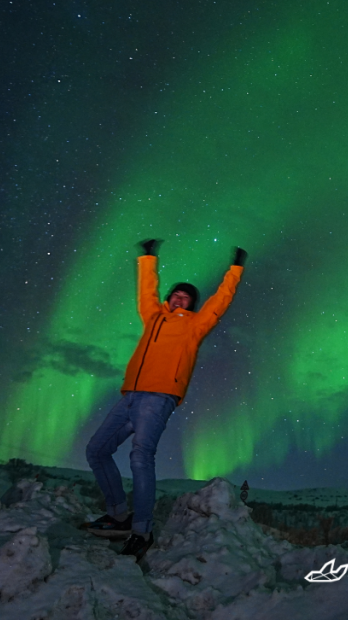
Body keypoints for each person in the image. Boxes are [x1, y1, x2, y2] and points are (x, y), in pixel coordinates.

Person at [84, 238, 247, 561]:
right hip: (130, 394)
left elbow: (220, 301)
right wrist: (147, 257)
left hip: (159, 397)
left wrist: (236, 269)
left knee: (140, 457)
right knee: (96, 450)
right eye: (176, 295)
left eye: (186, 298)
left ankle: (142, 531)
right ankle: (118, 515)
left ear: (191, 305)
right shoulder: (153, 317)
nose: (179, 299)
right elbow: (146, 292)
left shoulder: (196, 326)